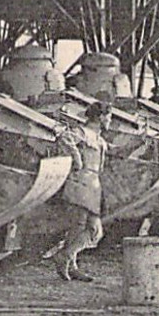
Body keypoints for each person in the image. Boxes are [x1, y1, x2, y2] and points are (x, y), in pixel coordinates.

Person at [54, 101, 109, 282]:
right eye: (108, 117)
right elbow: (64, 138)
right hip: (80, 182)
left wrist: (138, 143)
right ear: (100, 117)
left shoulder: (99, 139)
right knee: (82, 227)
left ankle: (69, 260)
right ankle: (67, 259)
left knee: (90, 230)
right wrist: (77, 160)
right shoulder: (83, 133)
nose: (110, 121)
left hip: (92, 184)